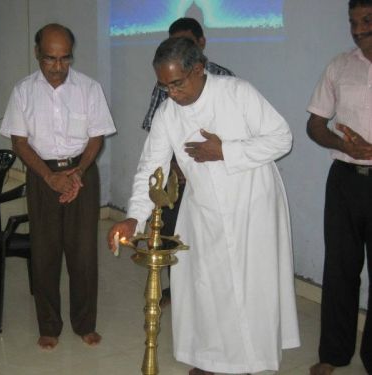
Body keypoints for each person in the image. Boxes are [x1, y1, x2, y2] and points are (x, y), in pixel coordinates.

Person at [108, 37, 300, 374]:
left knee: (251, 287)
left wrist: (226, 151)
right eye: (163, 85)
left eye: (177, 83)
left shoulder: (237, 93)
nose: (171, 93)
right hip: (203, 208)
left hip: (252, 205)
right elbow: (152, 168)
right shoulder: (168, 113)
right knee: (206, 290)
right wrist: (133, 219)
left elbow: (281, 137)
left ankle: (252, 362)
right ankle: (213, 360)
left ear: (198, 69)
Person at [0, 23, 116, 350]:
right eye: (50, 59)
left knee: (83, 255)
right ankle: (49, 325)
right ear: (38, 54)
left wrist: (78, 172)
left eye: (65, 59)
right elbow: (19, 142)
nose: (58, 67)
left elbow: (96, 137)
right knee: (45, 252)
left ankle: (84, 323)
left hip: (82, 170)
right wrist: (50, 177)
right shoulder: (23, 91)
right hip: (41, 173)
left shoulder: (89, 88)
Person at [142, 18, 235, 308]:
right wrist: (174, 165)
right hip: (176, 176)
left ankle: (212, 295)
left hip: (214, 176)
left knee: (210, 238)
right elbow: (156, 129)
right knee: (172, 232)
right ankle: (177, 289)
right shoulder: (166, 83)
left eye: (187, 43)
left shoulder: (226, 80)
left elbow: (231, 138)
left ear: (201, 44)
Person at [306, 1, 372, 374]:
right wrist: (341, 143)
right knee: (340, 268)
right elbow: (315, 125)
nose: (358, 29)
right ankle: (333, 353)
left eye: (367, 21)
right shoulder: (339, 65)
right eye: (353, 22)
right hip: (345, 180)